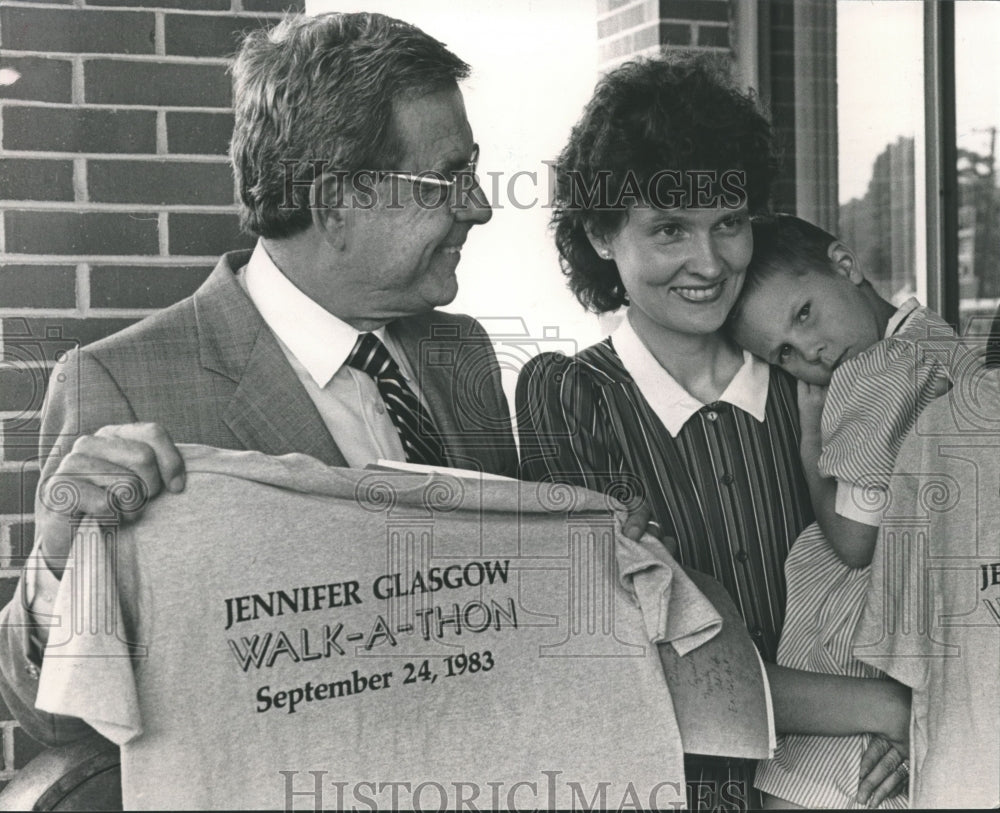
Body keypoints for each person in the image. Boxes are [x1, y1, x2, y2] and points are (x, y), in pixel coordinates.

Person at [0, 11, 519, 747]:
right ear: (338, 201)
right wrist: (58, 565)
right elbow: (56, 722)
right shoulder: (118, 385)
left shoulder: (460, 352)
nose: (481, 207)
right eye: (447, 180)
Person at [516, 56, 910, 810]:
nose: (708, 261)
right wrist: (890, 707)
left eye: (727, 223)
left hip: (869, 786)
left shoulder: (819, 371)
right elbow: (638, 655)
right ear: (602, 234)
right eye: (670, 229)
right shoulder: (569, 397)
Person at [726, 214, 956, 808]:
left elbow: (854, 541)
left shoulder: (873, 374)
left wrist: (809, 448)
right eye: (784, 354)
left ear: (846, 266)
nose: (813, 353)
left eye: (804, 314)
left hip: (854, 635)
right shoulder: (941, 345)